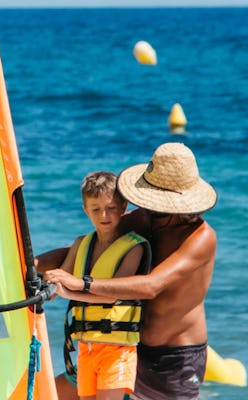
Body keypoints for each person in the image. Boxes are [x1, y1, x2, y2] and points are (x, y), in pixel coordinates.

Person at [44, 142, 217, 400]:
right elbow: (91, 245)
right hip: (124, 344)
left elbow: (151, 286)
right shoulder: (148, 218)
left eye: (158, 205)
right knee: (47, 393)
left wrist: (81, 284)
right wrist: (26, 265)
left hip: (174, 362)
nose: (148, 210)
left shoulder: (201, 237)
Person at [49, 171, 152, 400]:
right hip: (86, 349)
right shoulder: (81, 244)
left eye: (111, 208)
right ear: (86, 210)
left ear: (123, 207)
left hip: (117, 350)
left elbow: (112, 295)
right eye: (95, 209)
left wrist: (68, 289)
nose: (104, 215)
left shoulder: (133, 247)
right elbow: (57, 283)